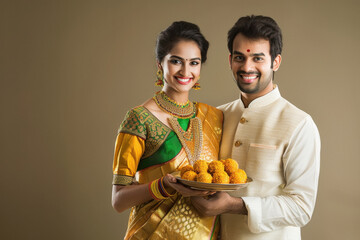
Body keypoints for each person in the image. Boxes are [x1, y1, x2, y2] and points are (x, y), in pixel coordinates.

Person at [191, 15, 321, 239]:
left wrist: (235, 205)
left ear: (276, 62)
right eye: (239, 58)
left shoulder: (299, 123)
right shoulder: (216, 116)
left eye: (258, 58)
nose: (247, 67)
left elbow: (302, 208)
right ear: (230, 60)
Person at [111, 21, 223, 240]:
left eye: (194, 63)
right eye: (175, 61)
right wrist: (163, 186)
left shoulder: (214, 117)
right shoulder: (139, 119)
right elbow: (118, 200)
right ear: (159, 64)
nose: (185, 71)